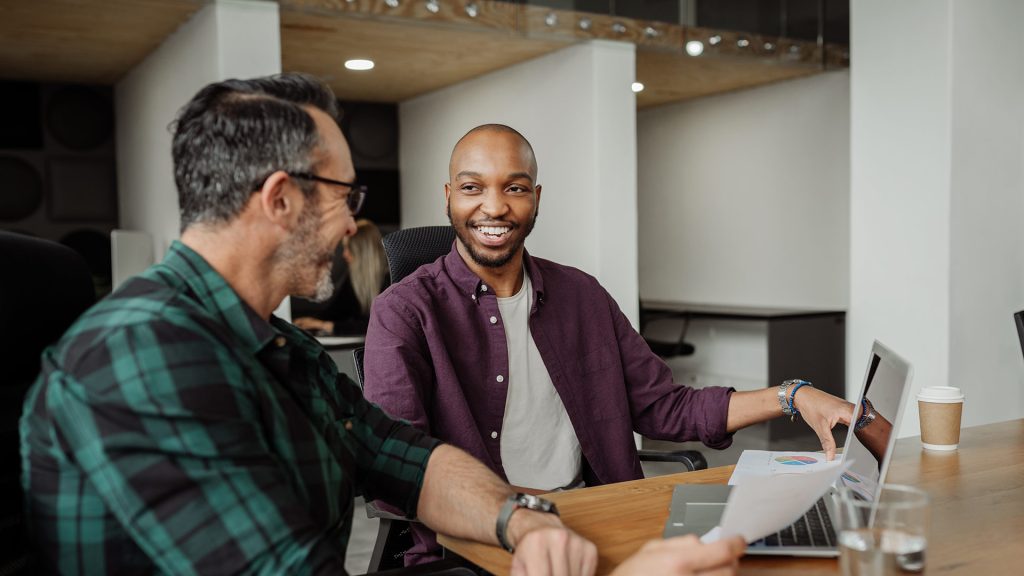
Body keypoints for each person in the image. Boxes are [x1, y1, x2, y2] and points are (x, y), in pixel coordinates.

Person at [19, 75, 743, 576]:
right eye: (346, 193)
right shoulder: (143, 356)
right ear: (281, 199)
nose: (356, 222)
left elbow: (406, 455)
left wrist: (522, 521)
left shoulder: (275, 345)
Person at [362, 124, 856, 564]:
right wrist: (522, 514)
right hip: (479, 543)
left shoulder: (582, 296)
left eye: (513, 188)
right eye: (472, 188)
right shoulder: (404, 311)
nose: (494, 207)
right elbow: (396, 469)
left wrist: (793, 395)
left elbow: (665, 407)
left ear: (536, 196)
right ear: (448, 195)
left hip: (600, 517)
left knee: (765, 554)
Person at [293, 218, 389, 335]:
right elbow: (336, 311)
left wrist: (326, 326)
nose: (344, 254)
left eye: (349, 248)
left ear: (362, 252)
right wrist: (311, 322)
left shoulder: (389, 281)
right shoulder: (353, 279)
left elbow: (375, 325)